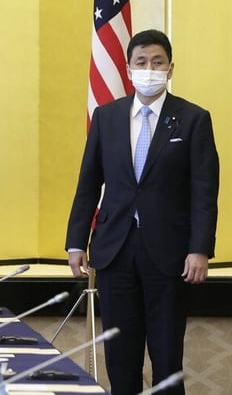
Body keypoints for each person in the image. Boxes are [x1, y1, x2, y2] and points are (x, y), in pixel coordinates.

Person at [66, 29, 219, 395]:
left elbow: (204, 191)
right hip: (115, 251)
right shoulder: (107, 117)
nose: (149, 69)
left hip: (170, 255)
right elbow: (88, 183)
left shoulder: (193, 119)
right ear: (128, 69)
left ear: (170, 69)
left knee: (167, 357)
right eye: (141, 62)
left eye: (157, 62)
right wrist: (75, 242)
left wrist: (200, 249)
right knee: (121, 356)